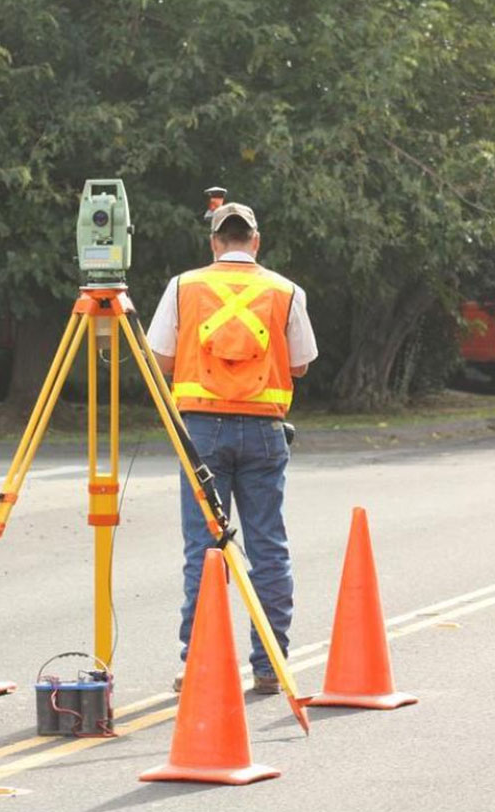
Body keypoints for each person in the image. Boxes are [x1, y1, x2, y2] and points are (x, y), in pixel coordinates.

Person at [146, 201, 318, 694]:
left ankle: (197, 662)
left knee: (204, 548)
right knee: (267, 545)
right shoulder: (286, 291)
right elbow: (302, 364)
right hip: (264, 430)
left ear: (215, 242)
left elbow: (160, 358)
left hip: (200, 432)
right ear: (256, 241)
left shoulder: (184, 286)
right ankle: (269, 663)